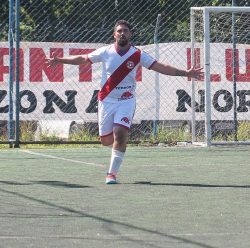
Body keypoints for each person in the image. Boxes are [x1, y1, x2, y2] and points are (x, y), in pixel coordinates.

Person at [46, 20, 203, 184]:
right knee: (106, 140)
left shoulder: (138, 55)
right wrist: (60, 60)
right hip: (106, 101)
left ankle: (111, 173)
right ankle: (118, 146)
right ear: (114, 34)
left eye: (126, 31)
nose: (122, 33)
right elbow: (82, 59)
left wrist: (185, 72)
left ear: (130, 34)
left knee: (120, 134)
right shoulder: (105, 51)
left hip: (126, 101)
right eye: (119, 31)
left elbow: (160, 67)